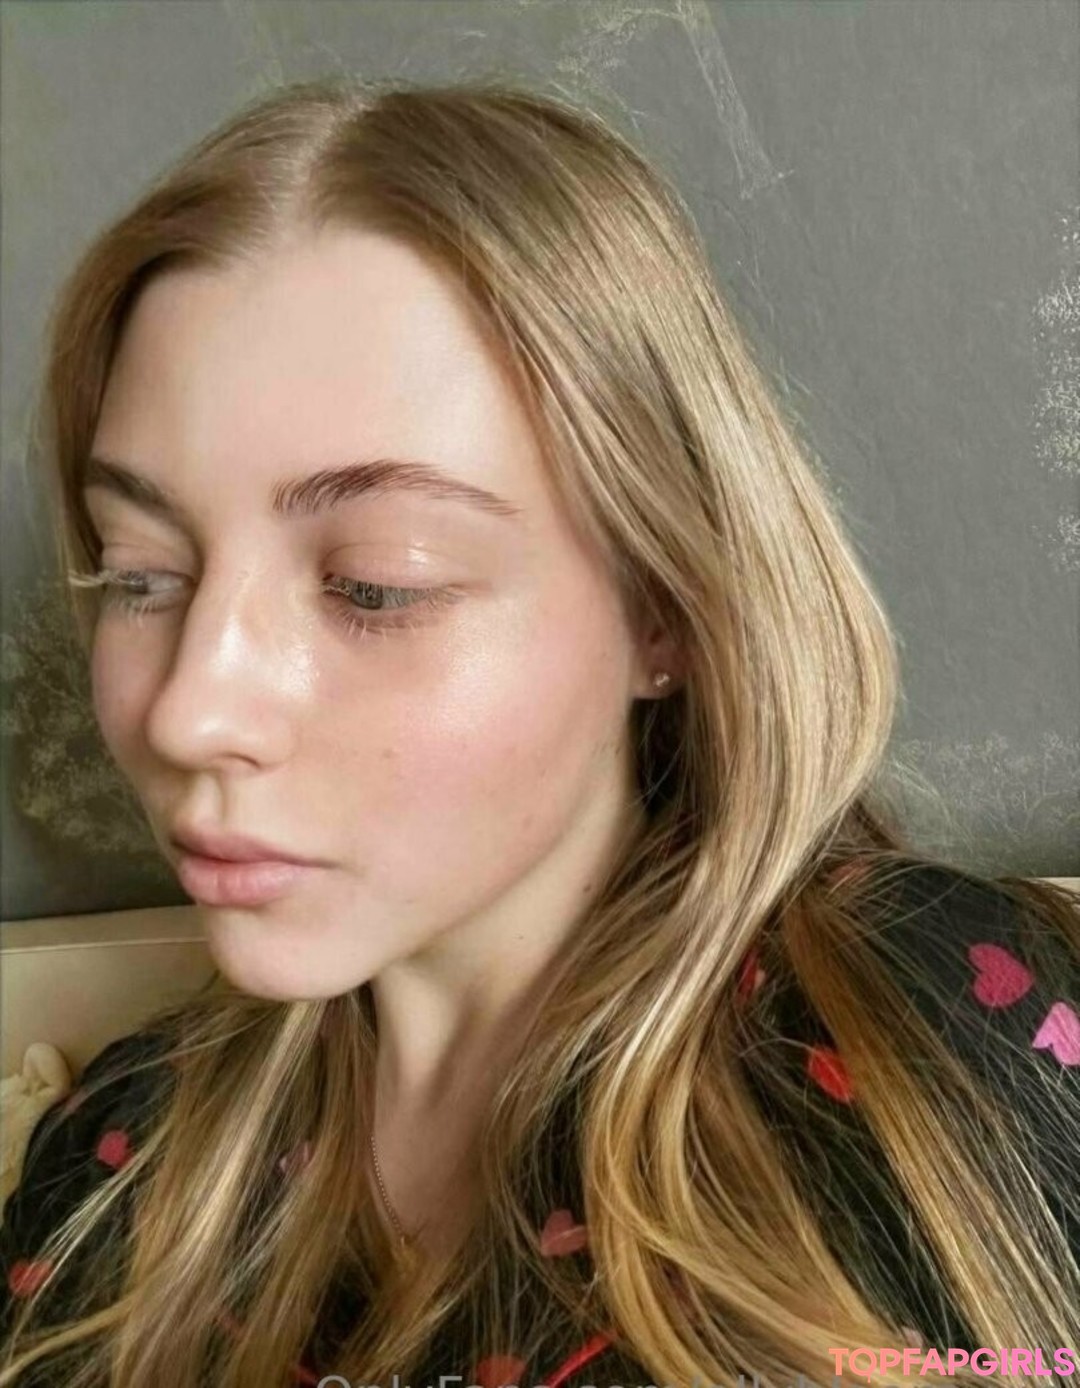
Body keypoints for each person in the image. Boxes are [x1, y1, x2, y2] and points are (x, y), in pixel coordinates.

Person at [1, 76, 1077, 1388]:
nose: (187, 709)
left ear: (663, 608)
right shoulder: (110, 1171)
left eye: (375, 585)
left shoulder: (926, 1037)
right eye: (141, 575)